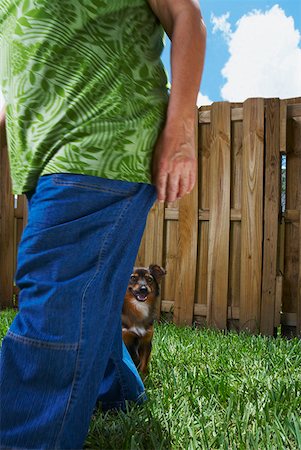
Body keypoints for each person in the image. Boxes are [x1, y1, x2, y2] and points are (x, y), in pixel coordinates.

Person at [0, 0, 206, 448]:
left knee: (56, 300)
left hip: (101, 144)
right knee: (85, 296)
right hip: (44, 162)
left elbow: (185, 15)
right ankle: (120, 392)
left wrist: (182, 126)